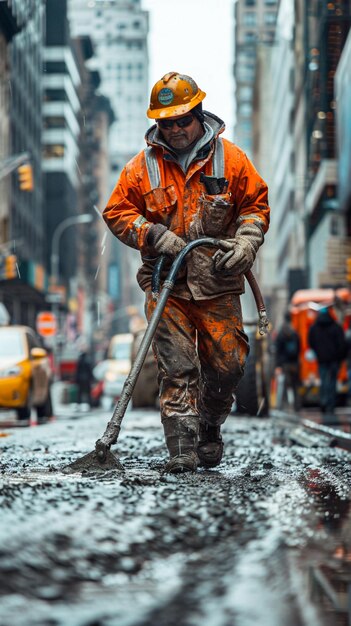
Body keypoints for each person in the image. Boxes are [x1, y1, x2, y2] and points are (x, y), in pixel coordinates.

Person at [103, 72, 270, 473]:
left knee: (227, 366)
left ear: (198, 115)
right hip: (167, 288)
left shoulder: (231, 160)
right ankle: (181, 450)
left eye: (182, 120)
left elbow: (255, 206)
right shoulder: (140, 169)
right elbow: (117, 212)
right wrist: (153, 234)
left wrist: (247, 242)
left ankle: (211, 424)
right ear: (157, 124)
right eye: (166, 122)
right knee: (177, 368)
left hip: (217, 284)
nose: (175, 130)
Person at [308, 306, 347, 416]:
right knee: (332, 382)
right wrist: (340, 357)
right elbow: (342, 344)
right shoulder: (336, 327)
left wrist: (318, 353)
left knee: (324, 381)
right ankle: (331, 404)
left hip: (322, 360)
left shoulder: (314, 327)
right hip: (334, 360)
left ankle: (323, 402)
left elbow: (311, 342)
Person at [275, 311, 301, 411]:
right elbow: (299, 347)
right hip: (294, 363)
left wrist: (278, 365)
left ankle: (283, 407)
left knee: (284, 386)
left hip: (284, 364)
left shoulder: (281, 333)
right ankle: (297, 406)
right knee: (295, 386)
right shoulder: (295, 332)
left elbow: (278, 350)